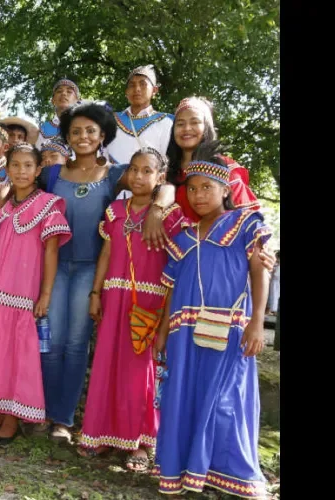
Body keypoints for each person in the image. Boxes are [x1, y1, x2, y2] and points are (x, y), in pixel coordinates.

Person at [34, 101, 179, 444]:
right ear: (66, 137)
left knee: (75, 343)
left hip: (91, 269)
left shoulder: (117, 173)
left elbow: (165, 182)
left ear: (103, 136)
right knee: (51, 343)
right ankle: (41, 409)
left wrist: (158, 207)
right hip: (54, 266)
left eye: (90, 131)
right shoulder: (52, 174)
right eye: (75, 131)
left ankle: (63, 420)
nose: (82, 137)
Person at [151, 157, 271, 499]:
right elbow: (171, 288)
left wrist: (257, 322)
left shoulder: (245, 222)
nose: (199, 194)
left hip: (231, 328)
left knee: (225, 400)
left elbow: (259, 270)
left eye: (207, 187)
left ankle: (232, 476)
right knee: (184, 398)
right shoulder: (184, 237)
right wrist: (162, 332)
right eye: (192, 188)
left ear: (225, 190)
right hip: (184, 332)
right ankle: (189, 474)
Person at [0, 143, 71, 443]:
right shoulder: (5, 206)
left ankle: (12, 419)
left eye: (28, 166)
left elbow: (50, 252)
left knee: (15, 350)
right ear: (7, 169)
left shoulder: (49, 203)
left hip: (22, 288)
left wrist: (45, 295)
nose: (21, 171)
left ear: (38, 169)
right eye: (15, 165)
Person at [78, 148, 186, 471]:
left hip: (149, 300)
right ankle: (101, 434)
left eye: (147, 171)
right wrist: (96, 292)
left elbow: (174, 264)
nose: (139, 176)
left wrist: (167, 313)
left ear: (160, 177)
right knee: (108, 364)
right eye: (134, 170)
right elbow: (107, 254)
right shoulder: (114, 211)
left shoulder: (171, 215)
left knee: (141, 372)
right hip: (114, 295)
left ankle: (140, 442)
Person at [167, 96, 260, 221]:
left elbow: (248, 223)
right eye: (180, 124)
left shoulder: (225, 168)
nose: (187, 129)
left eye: (195, 122)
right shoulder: (164, 172)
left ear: (206, 127)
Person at [106, 65, 175, 200]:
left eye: (143, 84)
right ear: (126, 92)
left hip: (151, 196)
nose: (137, 89)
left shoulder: (168, 122)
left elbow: (172, 163)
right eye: (132, 85)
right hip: (113, 193)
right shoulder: (109, 120)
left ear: (155, 90)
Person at [34, 78, 80, 149]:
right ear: (53, 100)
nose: (64, 93)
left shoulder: (85, 125)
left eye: (69, 91)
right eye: (59, 91)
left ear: (77, 100)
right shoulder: (43, 129)